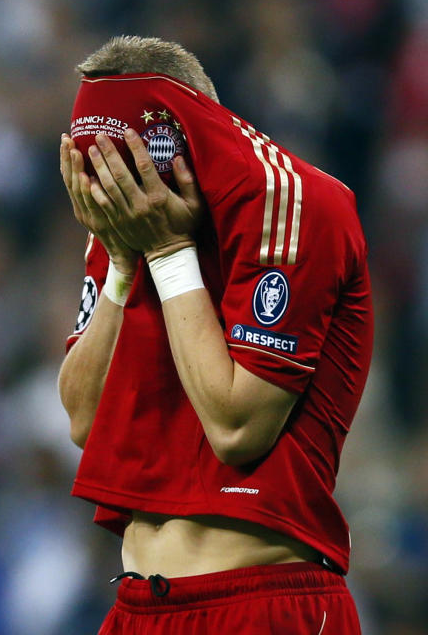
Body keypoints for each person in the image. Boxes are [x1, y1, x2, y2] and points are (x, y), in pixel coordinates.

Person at [57, 36, 372, 633]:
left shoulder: (296, 203)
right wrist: (123, 266)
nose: (120, 182)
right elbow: (84, 424)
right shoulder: (133, 224)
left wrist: (171, 253)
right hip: (136, 607)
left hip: (257, 600)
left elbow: (237, 428)